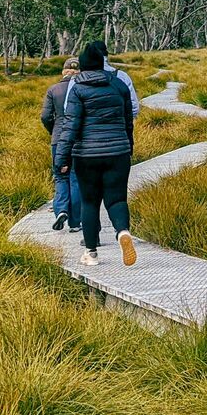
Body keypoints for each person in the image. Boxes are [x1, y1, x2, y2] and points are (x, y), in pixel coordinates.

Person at [57, 42, 142, 267]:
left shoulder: (77, 88)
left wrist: (62, 158)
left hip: (86, 155)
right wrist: (128, 148)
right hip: (118, 152)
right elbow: (128, 122)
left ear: (84, 65)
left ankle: (91, 252)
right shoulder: (119, 85)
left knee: (90, 202)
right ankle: (122, 231)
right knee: (117, 199)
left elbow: (71, 125)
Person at [40, 56, 82, 231]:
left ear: (63, 71)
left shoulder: (53, 89)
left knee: (60, 176)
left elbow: (45, 116)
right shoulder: (82, 89)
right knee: (75, 178)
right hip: (78, 140)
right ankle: (75, 223)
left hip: (58, 139)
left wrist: (53, 131)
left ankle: (61, 209)